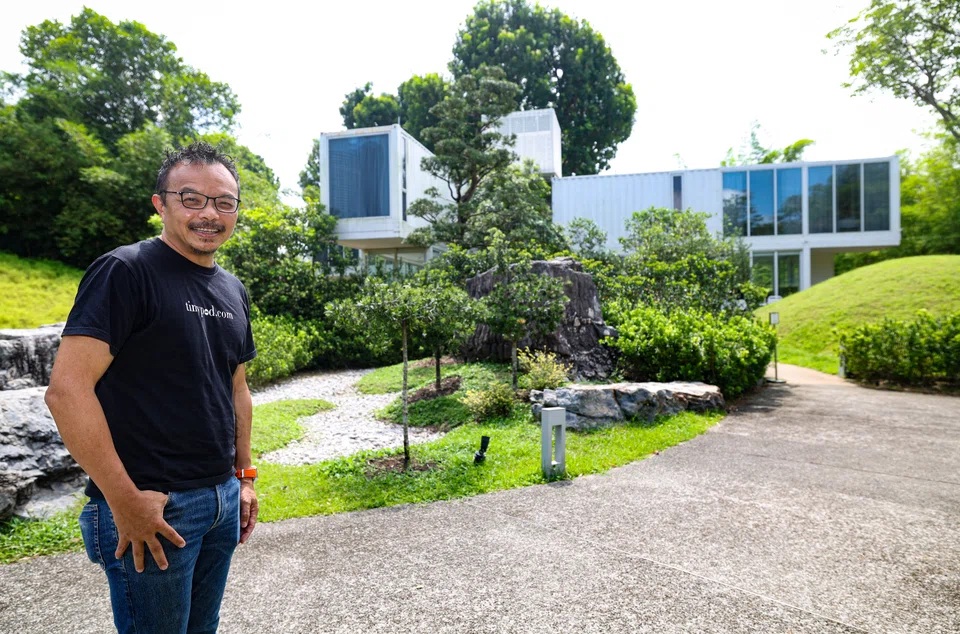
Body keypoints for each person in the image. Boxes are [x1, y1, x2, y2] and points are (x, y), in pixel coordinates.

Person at [45, 142, 259, 634]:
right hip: (153, 505)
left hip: (221, 500)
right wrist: (124, 501)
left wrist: (244, 478)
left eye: (224, 202)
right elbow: (67, 390)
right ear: (160, 203)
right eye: (192, 198)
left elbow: (237, 388)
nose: (210, 214)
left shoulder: (232, 289)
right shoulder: (125, 272)